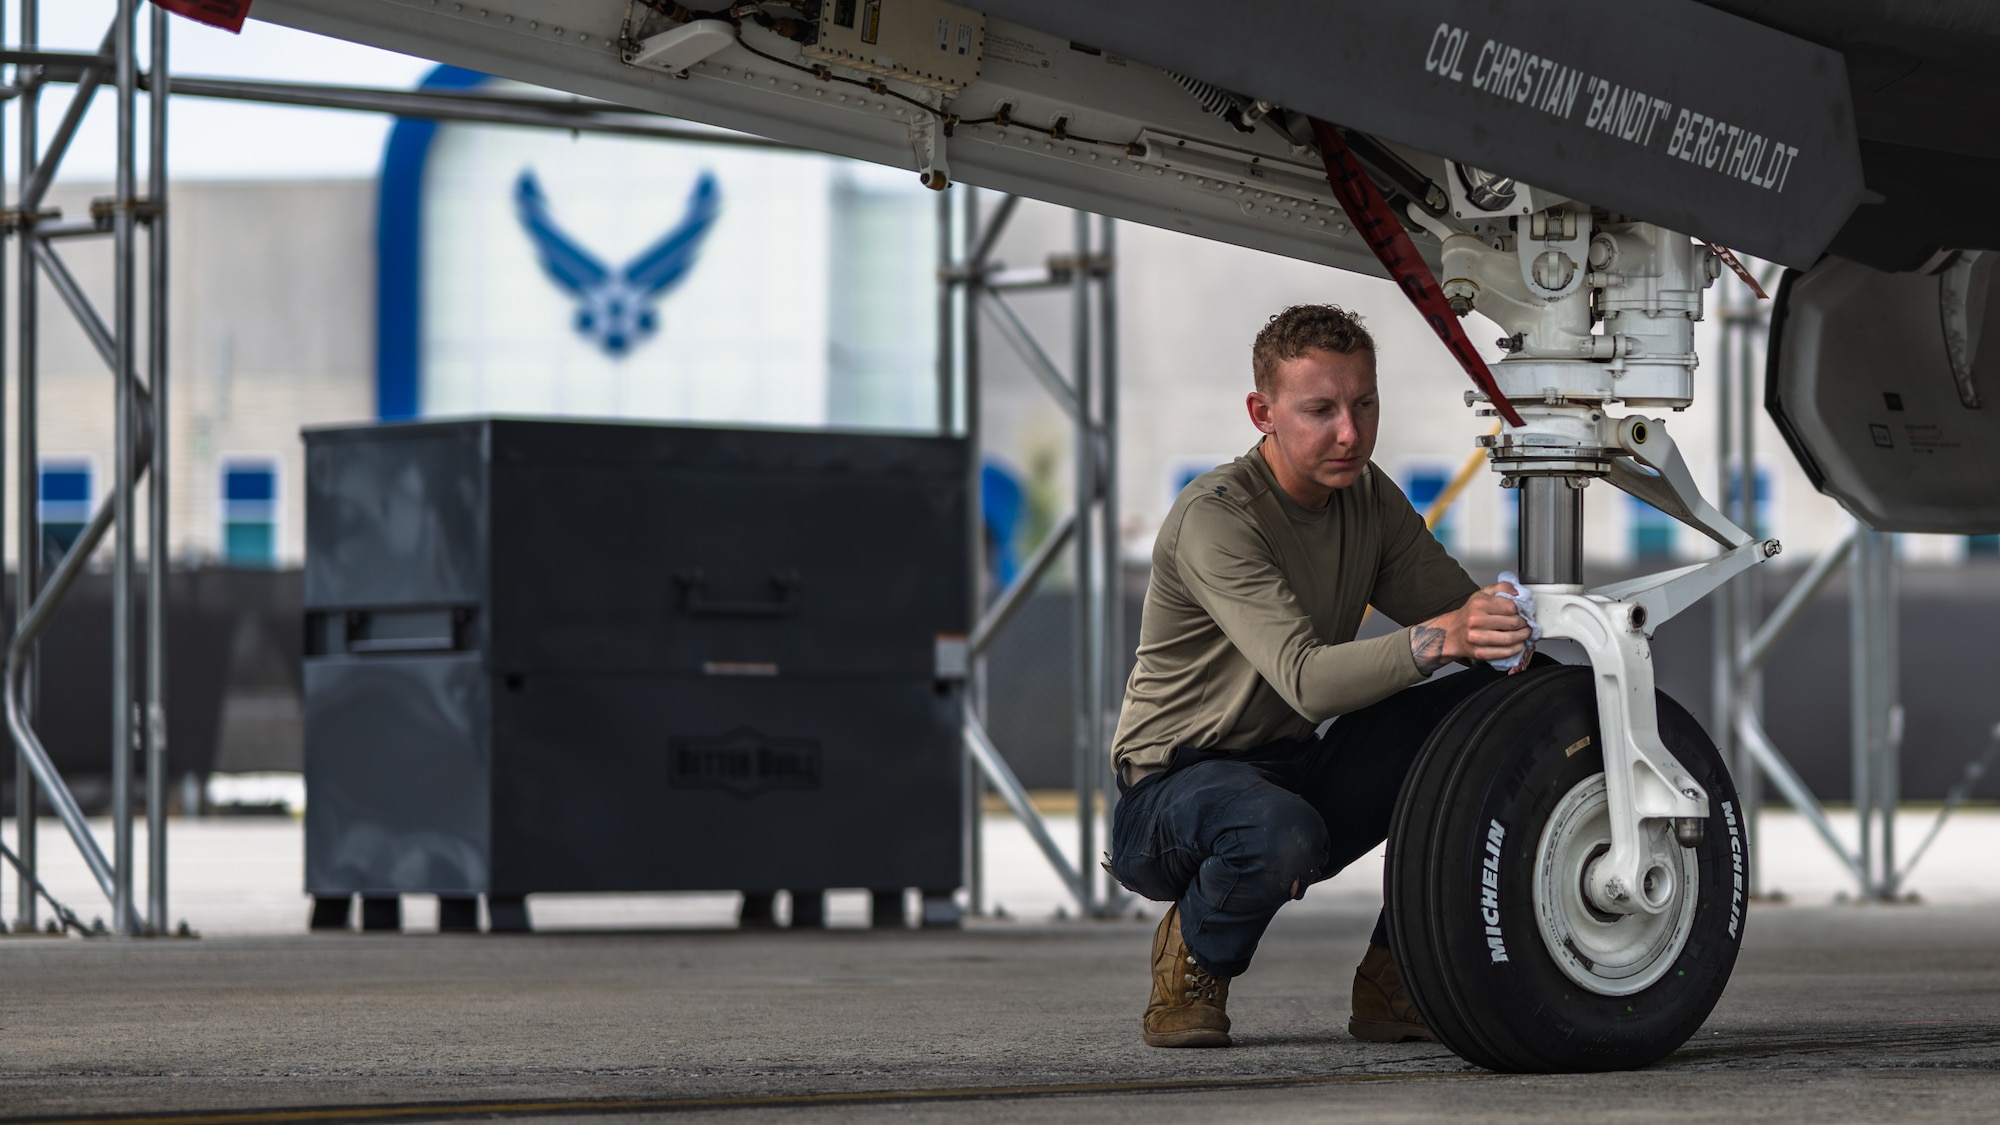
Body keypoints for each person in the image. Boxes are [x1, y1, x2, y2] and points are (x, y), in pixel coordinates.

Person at [1108, 303, 1535, 1048]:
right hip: (1172, 794)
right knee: (1280, 833)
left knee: (1508, 717)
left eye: (1364, 404)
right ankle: (1196, 951)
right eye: (1320, 410)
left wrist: (1510, 631)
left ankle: (1399, 972)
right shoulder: (1218, 516)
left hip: (1294, 767)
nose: (1349, 431)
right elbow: (1305, 679)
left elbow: (1459, 613)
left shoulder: (1367, 498)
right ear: (1262, 413)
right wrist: (1447, 636)